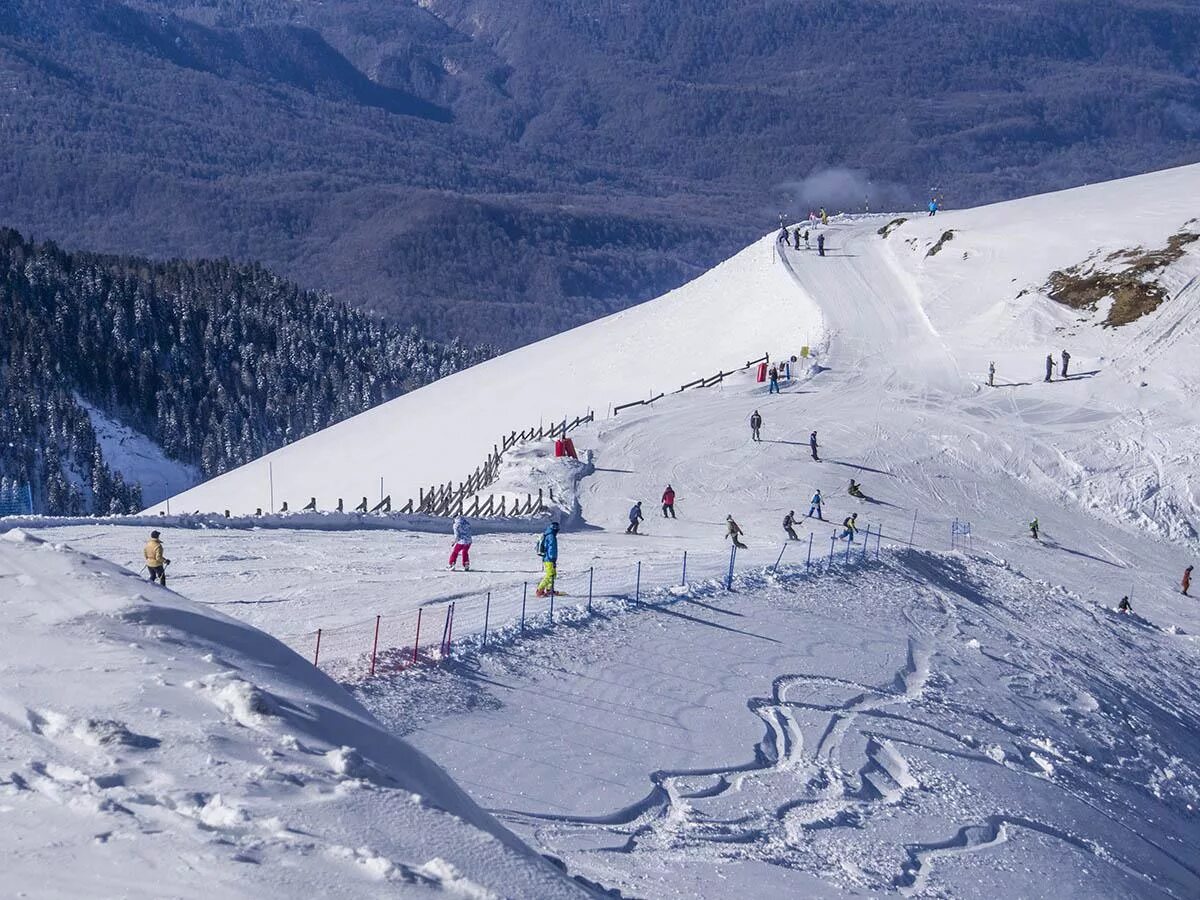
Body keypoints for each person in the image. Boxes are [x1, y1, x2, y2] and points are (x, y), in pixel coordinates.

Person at [536, 522, 560, 597]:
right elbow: (551, 549)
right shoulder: (551, 536)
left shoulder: (548, 535)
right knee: (550, 575)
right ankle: (540, 589)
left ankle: (549, 589)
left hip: (548, 558)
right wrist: (552, 558)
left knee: (553, 574)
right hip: (549, 559)